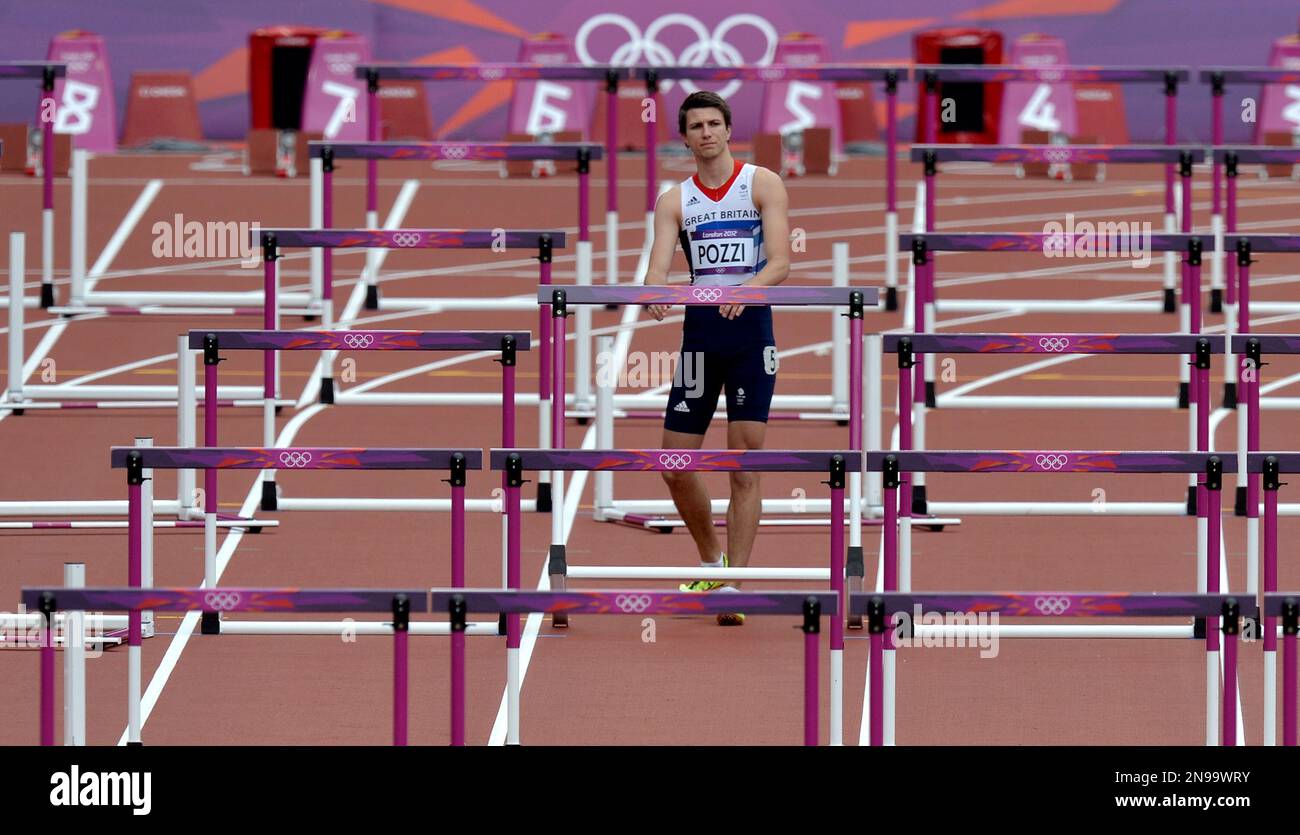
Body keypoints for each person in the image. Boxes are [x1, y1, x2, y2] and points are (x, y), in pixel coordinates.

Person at [642, 90, 790, 625]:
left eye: (713, 123)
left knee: (743, 465)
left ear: (729, 129)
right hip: (701, 339)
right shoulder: (674, 201)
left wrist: (745, 290)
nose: (705, 133)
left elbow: (781, 263)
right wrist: (655, 292)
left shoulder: (762, 183)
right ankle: (711, 559)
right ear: (684, 137)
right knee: (674, 465)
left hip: (751, 335)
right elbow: (656, 269)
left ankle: (734, 586)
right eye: (695, 126)